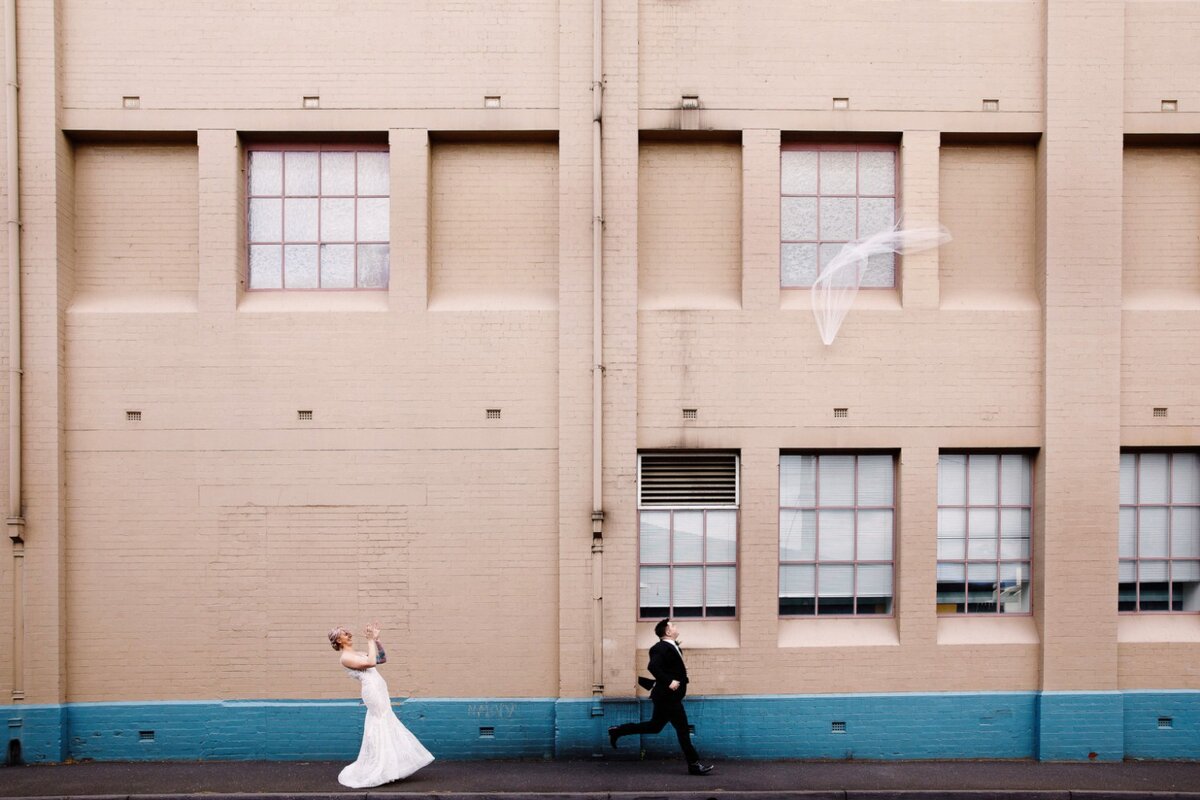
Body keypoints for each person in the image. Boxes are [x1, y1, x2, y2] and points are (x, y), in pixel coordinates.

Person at [329, 622, 434, 788]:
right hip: (372, 692)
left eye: (348, 632)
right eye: (344, 633)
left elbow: (382, 659)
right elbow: (371, 663)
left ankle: (389, 767)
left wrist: (376, 640)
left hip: (380, 689)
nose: (349, 634)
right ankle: (379, 767)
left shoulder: (359, 653)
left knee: (386, 723)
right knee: (379, 723)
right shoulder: (346, 658)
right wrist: (370, 640)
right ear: (338, 640)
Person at [608, 618, 714, 775]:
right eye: (673, 625)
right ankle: (694, 764)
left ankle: (617, 731)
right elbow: (652, 666)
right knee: (683, 730)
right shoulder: (660, 647)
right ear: (668, 631)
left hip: (668, 697)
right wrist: (669, 681)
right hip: (668, 697)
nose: (676, 627)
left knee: (654, 727)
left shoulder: (672, 647)